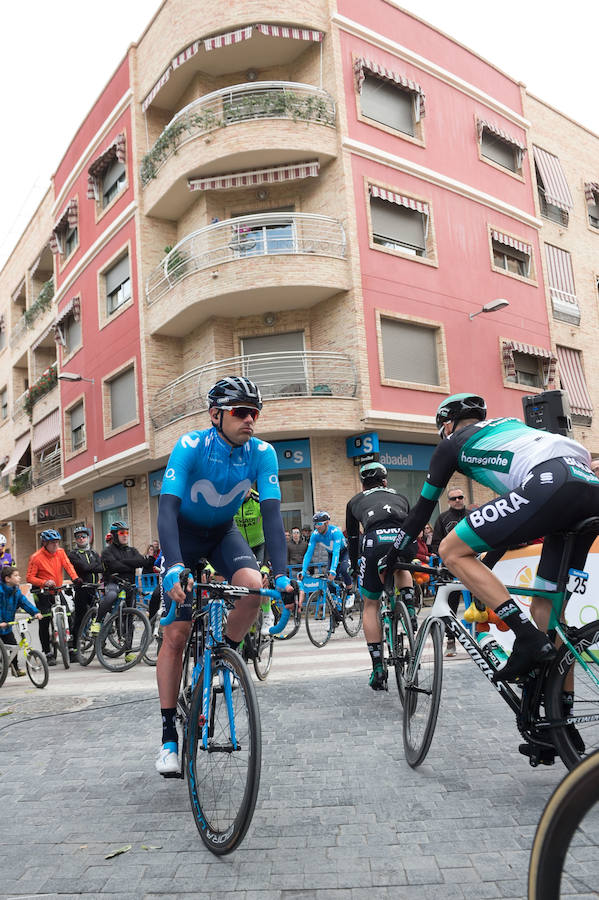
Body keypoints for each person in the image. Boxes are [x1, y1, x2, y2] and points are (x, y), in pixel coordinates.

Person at [384, 392, 599, 705]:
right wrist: (487, 563)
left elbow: (421, 511)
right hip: (587, 488)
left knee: (451, 549)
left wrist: (395, 554)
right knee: (548, 611)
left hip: (551, 482)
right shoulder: (509, 430)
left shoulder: (452, 443)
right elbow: (510, 530)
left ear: (447, 424)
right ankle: (559, 716)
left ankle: (524, 637)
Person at [155, 375, 295, 776]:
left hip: (221, 535)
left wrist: (282, 576)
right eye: (241, 412)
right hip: (181, 537)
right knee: (177, 634)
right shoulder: (191, 446)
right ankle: (168, 736)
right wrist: (174, 565)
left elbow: (272, 518)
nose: (250, 419)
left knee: (255, 588)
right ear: (216, 415)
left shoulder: (262, 453)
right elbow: (166, 511)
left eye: (255, 412)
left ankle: (219, 659)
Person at [345, 461, 417, 690]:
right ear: (385, 481)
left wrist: (356, 566)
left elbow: (354, 539)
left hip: (373, 542)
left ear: (363, 484)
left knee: (370, 605)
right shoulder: (401, 496)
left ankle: (377, 667)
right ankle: (410, 609)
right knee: (402, 566)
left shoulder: (355, 501)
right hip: (401, 538)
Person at [26, 529, 80, 666]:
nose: (55, 545)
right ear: (44, 543)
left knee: (68, 615)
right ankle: (47, 652)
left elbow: (68, 566)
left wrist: (75, 578)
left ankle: (71, 649)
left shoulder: (60, 552)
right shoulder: (36, 557)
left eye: (57, 542)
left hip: (57, 590)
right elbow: (29, 577)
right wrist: (44, 582)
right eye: (52, 543)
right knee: (44, 621)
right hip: (41, 592)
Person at [98, 523, 153, 627]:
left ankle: (127, 642)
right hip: (113, 584)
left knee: (129, 619)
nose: (125, 535)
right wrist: (132, 563)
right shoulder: (107, 551)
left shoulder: (132, 550)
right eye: (121, 532)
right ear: (115, 534)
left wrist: (123, 561)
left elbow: (142, 562)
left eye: (127, 532)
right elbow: (114, 566)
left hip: (130, 586)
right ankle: (97, 622)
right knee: (112, 595)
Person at [301, 512, 355, 608]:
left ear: (326, 523)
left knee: (343, 569)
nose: (317, 526)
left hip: (344, 552)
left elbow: (336, 552)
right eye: (315, 524)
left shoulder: (335, 532)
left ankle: (350, 593)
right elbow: (309, 553)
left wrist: (333, 570)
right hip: (331, 554)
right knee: (328, 577)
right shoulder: (315, 535)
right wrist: (303, 570)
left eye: (319, 524)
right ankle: (335, 602)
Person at [67, 526, 103, 659]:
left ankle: (99, 644)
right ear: (75, 540)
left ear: (88, 538)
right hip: (81, 589)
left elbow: (101, 567)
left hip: (95, 588)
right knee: (80, 619)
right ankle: (74, 648)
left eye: (83, 536)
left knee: (97, 617)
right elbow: (83, 567)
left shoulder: (94, 553)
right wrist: (94, 567)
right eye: (78, 537)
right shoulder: (73, 554)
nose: (81, 539)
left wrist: (91, 568)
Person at [0, 567, 42, 677]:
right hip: (1, 623)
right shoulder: (0, 591)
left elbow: (24, 603)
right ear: (7, 579)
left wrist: (35, 613)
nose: (19, 577)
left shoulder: (16, 591)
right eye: (16, 575)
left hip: (7, 626)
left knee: (13, 646)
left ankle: (15, 669)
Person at [234, 487, 266, 564]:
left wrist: (266, 565)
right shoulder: (230, 501)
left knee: (260, 572)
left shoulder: (259, 500)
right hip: (240, 545)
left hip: (259, 544)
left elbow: (272, 528)